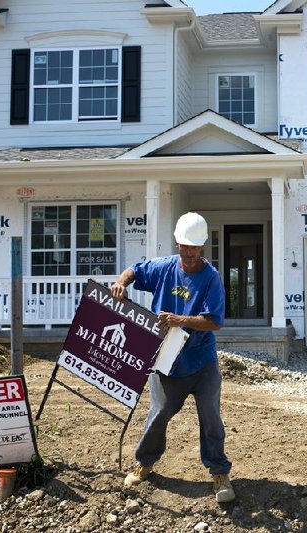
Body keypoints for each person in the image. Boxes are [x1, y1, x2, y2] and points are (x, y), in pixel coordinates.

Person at [110, 212, 235, 503]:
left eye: (195, 246)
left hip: (201, 361)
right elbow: (134, 270)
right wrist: (121, 282)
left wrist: (179, 319)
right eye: (184, 245)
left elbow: (214, 321)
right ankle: (145, 463)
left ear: (202, 246)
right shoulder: (164, 268)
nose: (189, 252)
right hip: (166, 359)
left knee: (210, 416)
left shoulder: (210, 278)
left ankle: (219, 471)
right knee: (159, 413)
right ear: (177, 243)